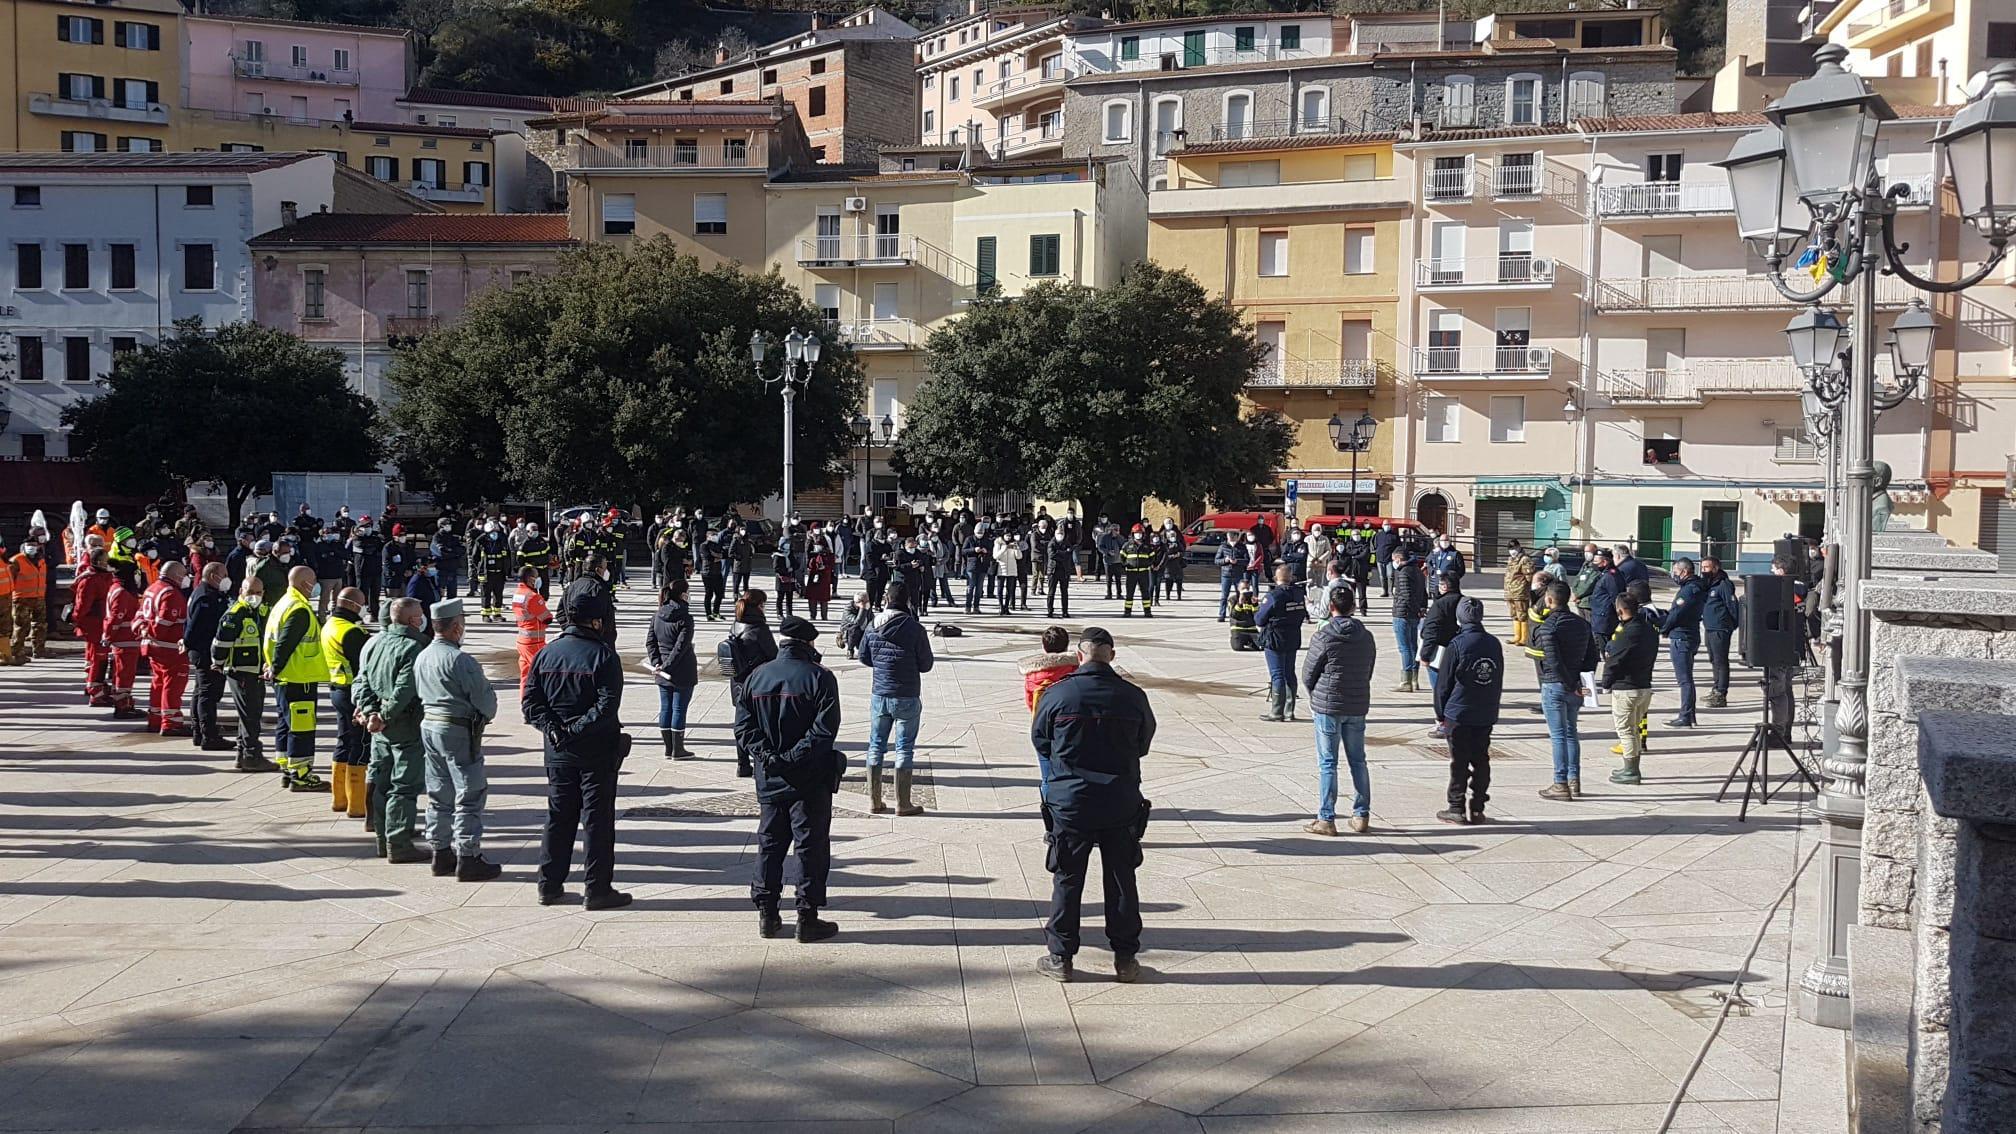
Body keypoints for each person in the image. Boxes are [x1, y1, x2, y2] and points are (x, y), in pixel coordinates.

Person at [1032, 626, 1153, 983]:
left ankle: (1060, 957)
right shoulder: (1133, 696)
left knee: (1068, 878)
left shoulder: (1058, 694)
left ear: (1080, 655)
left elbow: (1041, 741)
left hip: (1072, 802)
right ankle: (1125, 958)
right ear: (1111, 656)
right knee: (1121, 878)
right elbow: (1143, 744)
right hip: (1120, 801)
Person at [737, 614, 843, 942]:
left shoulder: (756, 676)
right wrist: (793, 758)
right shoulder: (820, 677)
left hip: (770, 775)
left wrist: (770, 757)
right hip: (809, 777)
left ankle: (767, 914)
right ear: (808, 643)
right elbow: (824, 731)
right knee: (809, 845)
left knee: (770, 844)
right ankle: (807, 917)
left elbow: (743, 727)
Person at [525, 590, 631, 910]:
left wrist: (555, 730)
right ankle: (597, 889)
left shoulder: (546, 653)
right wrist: (575, 730)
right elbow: (607, 706)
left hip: (558, 751)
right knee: (597, 821)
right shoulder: (603, 656)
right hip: (595, 752)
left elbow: (531, 704)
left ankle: (549, 885)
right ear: (596, 621)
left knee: (558, 818)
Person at [414, 599, 500, 882]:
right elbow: (485, 701)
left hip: (430, 726)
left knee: (439, 792)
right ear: (455, 627)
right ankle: (468, 855)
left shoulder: (423, 655)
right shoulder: (460, 660)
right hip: (458, 730)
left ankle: (440, 852)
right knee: (469, 793)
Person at [352, 598, 432, 864]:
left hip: (380, 727)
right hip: (404, 725)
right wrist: (384, 715)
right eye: (419, 615)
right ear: (412, 620)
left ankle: (383, 841)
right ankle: (398, 844)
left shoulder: (377, 642)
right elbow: (404, 689)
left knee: (382, 784)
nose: (422, 619)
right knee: (404, 787)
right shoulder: (415, 647)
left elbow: (363, 681)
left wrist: (370, 712)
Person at [1301, 588, 1376, 836]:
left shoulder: (1323, 636)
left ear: (1331, 607)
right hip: (1356, 703)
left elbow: (1308, 674)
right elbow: (1368, 670)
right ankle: (1361, 813)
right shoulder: (1366, 637)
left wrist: (1316, 695)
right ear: (1353, 607)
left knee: (1328, 763)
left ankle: (1326, 817)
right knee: (1358, 760)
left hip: (1328, 705)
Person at [858, 588, 935, 815]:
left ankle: (874, 800)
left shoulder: (872, 625)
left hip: (880, 693)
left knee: (876, 745)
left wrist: (882, 664)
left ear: (886, 600)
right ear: (907, 601)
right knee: (904, 749)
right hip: (907, 694)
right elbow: (926, 664)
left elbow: (864, 656)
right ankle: (903, 803)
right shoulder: (915, 628)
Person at [263, 566, 330, 792]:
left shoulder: (283, 603)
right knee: (301, 729)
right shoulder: (299, 609)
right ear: (304, 583)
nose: (316, 585)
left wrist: (272, 666)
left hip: (285, 677)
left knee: (286, 724)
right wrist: (276, 666)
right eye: (314, 581)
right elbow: (286, 642)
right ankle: (301, 775)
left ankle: (287, 769)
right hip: (299, 677)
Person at [1533, 582, 1601, 801]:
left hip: (1555, 684)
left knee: (1558, 735)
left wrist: (1570, 683)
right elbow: (1592, 656)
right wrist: (1582, 681)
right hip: (1576, 685)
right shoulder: (1582, 624)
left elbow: (1553, 660)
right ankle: (1574, 780)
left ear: (1549, 600)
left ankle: (1560, 782)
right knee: (1571, 732)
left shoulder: (1548, 626)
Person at [1439, 597, 1502, 824]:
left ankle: (1456, 806)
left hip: (1459, 712)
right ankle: (1477, 807)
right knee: (1481, 759)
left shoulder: (1457, 644)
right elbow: (1497, 677)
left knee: (1459, 761)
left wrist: (1440, 712)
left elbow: (1443, 683)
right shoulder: (1493, 643)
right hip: (1485, 711)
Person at [1602, 590, 1660, 786]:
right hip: (1644, 686)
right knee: (1634, 729)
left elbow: (1614, 660)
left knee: (1625, 731)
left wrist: (1606, 683)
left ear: (1620, 611)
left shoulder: (1627, 633)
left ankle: (1631, 770)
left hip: (1626, 688)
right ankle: (1631, 766)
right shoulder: (1649, 629)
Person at [726, 590, 779, 778]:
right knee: (760, 725)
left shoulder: (736, 624)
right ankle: (759, 762)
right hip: (757, 683)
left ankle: (742, 764)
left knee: (741, 724)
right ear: (759, 606)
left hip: (737, 682)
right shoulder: (759, 629)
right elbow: (774, 656)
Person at [183, 562, 234, 752]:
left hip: (202, 650)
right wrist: (188, 644)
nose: (227, 578)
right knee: (208, 694)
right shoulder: (206, 597)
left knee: (200, 692)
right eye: (224, 575)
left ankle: (199, 731)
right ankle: (209, 735)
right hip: (205, 651)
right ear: (213, 576)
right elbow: (194, 626)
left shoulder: (206, 593)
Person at [137, 562, 192, 736]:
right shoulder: (171, 594)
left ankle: (155, 719)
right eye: (184, 574)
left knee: (158, 682)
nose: (186, 578)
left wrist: (143, 631)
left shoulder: (151, 589)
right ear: (176, 575)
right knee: (173, 685)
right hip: (170, 648)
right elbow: (163, 624)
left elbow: (139, 617)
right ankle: (171, 722)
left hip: (153, 646)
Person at [647, 577, 698, 760]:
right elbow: (681, 647)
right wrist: (667, 666)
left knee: (666, 707)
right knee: (678, 709)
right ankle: (678, 749)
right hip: (682, 669)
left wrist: (657, 663)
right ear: (683, 594)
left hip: (661, 669)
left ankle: (669, 748)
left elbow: (650, 642)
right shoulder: (685, 618)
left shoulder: (657, 615)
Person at [1254, 564, 1308, 722]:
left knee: (1277, 674)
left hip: (1275, 638)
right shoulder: (1299, 594)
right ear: (1290, 577)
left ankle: (1277, 711)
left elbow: (1259, 619)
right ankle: (1289, 711)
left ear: (1276, 578)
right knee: (1289, 672)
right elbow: (1303, 614)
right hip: (1293, 636)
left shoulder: (1273, 595)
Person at [1663, 558, 1706, 728]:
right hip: (1690, 634)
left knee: (1684, 680)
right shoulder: (1696, 587)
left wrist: (1664, 628)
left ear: (1684, 571)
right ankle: (1690, 714)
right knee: (1687, 678)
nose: (1674, 575)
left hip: (1682, 637)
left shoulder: (1689, 590)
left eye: (1675, 572)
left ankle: (1685, 716)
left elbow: (1677, 613)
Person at [1421, 571, 1465, 737]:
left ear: (1445, 586)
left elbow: (1431, 631)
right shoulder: (1463, 601)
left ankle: (1443, 722)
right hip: (1460, 649)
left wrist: (1425, 655)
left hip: (1440, 652)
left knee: (1440, 689)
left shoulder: (1439, 605)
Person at [1699, 556, 1739, 709]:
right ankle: (1715, 688)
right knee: (1713, 659)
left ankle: (1721, 693)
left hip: (1720, 628)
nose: (1703, 570)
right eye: (1702, 567)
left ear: (1715, 568)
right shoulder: (1709, 584)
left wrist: (1731, 625)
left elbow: (1732, 606)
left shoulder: (1724, 584)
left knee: (1720, 660)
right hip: (1709, 627)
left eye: (1706, 567)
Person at [509, 566, 552, 695]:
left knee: (526, 675)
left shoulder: (518, 594)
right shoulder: (533, 597)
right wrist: (540, 601)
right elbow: (547, 618)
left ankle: (525, 699)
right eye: (536, 576)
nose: (538, 579)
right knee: (544, 674)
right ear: (530, 579)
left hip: (522, 641)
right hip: (535, 642)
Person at [1389, 546, 1426, 693]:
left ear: (1398, 559)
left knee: (1404, 648)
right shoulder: (1417, 570)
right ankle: (1414, 679)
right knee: (1413, 646)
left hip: (1403, 613)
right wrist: (1421, 608)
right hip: (1414, 614)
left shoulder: (1403, 572)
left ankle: (1406, 680)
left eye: (1394, 560)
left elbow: (1406, 595)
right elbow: (1424, 592)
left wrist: (1415, 608)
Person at [1020, 626, 1078, 719]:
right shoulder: (1075, 670)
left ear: (1043, 646)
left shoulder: (1032, 675)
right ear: (1067, 645)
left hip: (1042, 719)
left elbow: (1031, 703)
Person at [471, 521, 512, 624]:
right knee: (486, 595)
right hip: (486, 573)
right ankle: (485, 615)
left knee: (498, 595)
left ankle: (497, 614)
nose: (494, 533)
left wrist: (507, 571)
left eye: (496, 531)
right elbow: (475, 558)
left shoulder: (502, 539)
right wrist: (480, 569)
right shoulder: (480, 541)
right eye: (492, 532)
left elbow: (507, 556)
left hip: (499, 572)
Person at [1120, 525, 1157, 617]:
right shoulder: (1127, 545)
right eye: (1136, 533)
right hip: (1131, 572)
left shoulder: (1147, 546)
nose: (1138, 535)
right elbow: (1122, 557)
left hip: (1143, 573)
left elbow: (1152, 557)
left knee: (1145, 593)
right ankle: (1127, 612)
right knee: (1129, 593)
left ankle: (1147, 612)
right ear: (1133, 534)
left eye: (1140, 533)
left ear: (1143, 534)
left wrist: (1147, 564)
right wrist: (1126, 565)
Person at [1503, 543, 1535, 647]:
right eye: (1510, 548)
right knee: (1514, 614)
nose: (1512, 551)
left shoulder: (1525, 559)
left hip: (1520, 592)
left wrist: (1528, 588)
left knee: (1522, 615)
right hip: (1510, 592)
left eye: (1514, 548)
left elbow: (1529, 576)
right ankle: (1517, 636)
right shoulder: (1511, 559)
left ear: (1519, 547)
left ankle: (1524, 638)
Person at [1045, 528, 1079, 619]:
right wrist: (1064, 553)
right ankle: (1050, 611)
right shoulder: (1051, 543)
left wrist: (1060, 553)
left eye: (1062, 533)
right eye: (1058, 533)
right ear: (1055, 534)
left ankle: (1065, 611)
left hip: (1064, 570)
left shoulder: (1066, 542)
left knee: (1064, 592)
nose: (1060, 535)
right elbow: (1052, 555)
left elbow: (1069, 554)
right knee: (1051, 592)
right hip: (1053, 570)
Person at [312, 530, 347, 617]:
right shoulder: (319, 545)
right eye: (326, 533)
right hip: (326, 577)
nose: (329, 535)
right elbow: (323, 558)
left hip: (338, 575)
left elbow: (344, 554)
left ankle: (335, 615)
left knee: (337, 599)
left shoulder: (337, 544)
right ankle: (322, 617)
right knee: (325, 599)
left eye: (330, 533)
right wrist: (332, 554)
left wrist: (334, 552)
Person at [803, 536, 838, 621]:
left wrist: (825, 567)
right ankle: (813, 615)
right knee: (812, 598)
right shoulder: (812, 554)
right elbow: (809, 565)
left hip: (824, 578)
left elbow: (832, 565)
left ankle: (824, 616)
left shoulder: (829, 555)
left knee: (823, 599)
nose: (817, 547)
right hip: (813, 577)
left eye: (818, 545)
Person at [1215, 531, 1246, 622]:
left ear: (1237, 537)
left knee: (1240, 595)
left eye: (1232, 537)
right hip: (1226, 574)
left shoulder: (1242, 547)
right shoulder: (1223, 546)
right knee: (1224, 596)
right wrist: (1225, 560)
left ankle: (1240, 613)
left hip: (1238, 573)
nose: (1231, 539)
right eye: (1229, 537)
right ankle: (1222, 614)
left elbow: (1247, 560)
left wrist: (1237, 561)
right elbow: (1217, 560)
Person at [1229, 583, 1260, 650]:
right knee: (1237, 647)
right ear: (1238, 589)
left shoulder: (1251, 599)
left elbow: (1257, 616)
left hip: (1252, 629)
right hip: (1238, 628)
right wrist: (1240, 603)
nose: (1245, 590)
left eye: (1247, 588)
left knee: (1261, 646)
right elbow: (1234, 615)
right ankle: (1236, 639)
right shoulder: (1233, 599)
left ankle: (1250, 642)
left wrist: (1255, 605)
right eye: (1243, 588)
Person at [1372, 523, 1400, 596]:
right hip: (1380, 558)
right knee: (1382, 576)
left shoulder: (1394, 535)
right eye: (1385, 524)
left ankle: (1390, 592)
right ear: (1382, 526)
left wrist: (1395, 556)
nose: (1386, 526)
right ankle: (1384, 591)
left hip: (1390, 559)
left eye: (1388, 525)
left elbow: (1398, 547)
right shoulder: (1378, 535)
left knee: (1390, 575)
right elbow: (1375, 545)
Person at [1098, 522, 1124, 600]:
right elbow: (1100, 547)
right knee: (1109, 579)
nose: (1117, 531)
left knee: (1118, 579)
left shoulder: (1120, 538)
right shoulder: (1105, 537)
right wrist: (1107, 552)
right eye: (1115, 530)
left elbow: (1123, 546)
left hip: (1118, 561)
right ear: (1112, 530)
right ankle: (1109, 594)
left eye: (1118, 530)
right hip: (1108, 561)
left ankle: (1119, 594)